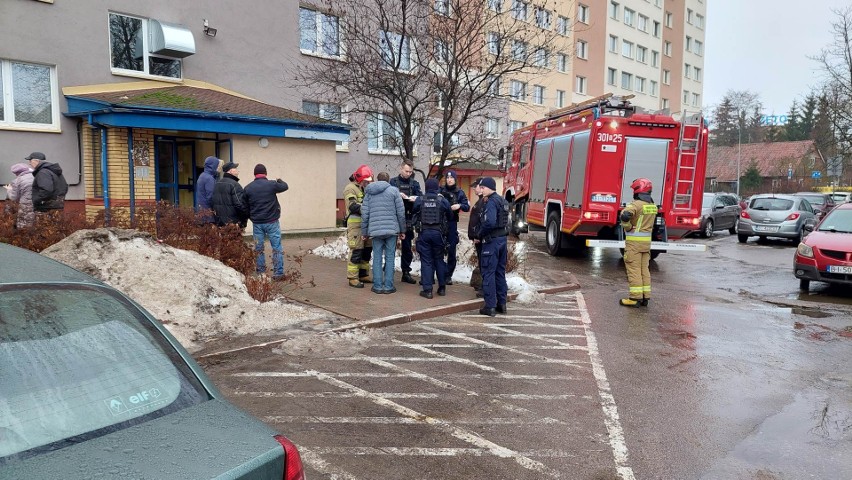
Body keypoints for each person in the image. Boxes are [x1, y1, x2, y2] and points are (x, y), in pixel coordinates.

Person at [361, 172, 406, 294]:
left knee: (376, 257)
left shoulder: (369, 193)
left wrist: (364, 232)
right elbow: (401, 213)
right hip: (391, 231)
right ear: (388, 180)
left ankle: (377, 286)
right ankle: (388, 286)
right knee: (390, 257)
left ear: (377, 180)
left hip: (375, 231)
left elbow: (365, 214)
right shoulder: (394, 191)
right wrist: (402, 230)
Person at [243, 164, 289, 281]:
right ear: (265, 173)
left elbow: (245, 206)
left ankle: (261, 273)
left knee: (259, 248)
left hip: (257, 223)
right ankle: (278, 273)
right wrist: (279, 179)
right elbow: (285, 186)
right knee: (276, 247)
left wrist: (251, 217)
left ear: (255, 174)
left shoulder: (248, 188)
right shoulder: (272, 184)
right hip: (272, 222)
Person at [619, 178, 657, 307]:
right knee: (643, 270)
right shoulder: (652, 206)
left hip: (634, 244)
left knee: (634, 269)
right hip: (646, 245)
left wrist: (628, 227)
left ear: (637, 190)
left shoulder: (637, 204)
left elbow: (624, 215)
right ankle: (645, 297)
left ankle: (634, 298)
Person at [475, 177, 509, 316]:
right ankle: (502, 304)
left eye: (483, 188)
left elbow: (489, 222)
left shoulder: (491, 202)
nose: (481, 190)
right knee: (499, 273)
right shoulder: (502, 200)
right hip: (502, 240)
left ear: (489, 188)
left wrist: (479, 235)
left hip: (492, 241)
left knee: (488, 273)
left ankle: (490, 306)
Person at [412, 178, 452, 299]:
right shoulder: (442, 200)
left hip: (424, 233)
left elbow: (414, 211)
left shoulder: (420, 199)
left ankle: (428, 290)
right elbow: (450, 215)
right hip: (438, 233)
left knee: (426, 261)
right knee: (439, 260)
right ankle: (442, 288)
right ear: (437, 187)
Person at [389, 160, 422, 284]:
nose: (408, 173)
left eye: (410, 171)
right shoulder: (393, 182)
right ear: (401, 169)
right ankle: (388, 269)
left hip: (408, 216)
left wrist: (415, 199)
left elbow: (420, 197)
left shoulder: (415, 184)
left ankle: (406, 272)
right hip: (394, 217)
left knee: (407, 247)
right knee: (390, 244)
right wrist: (398, 194)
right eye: (406, 171)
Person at [343, 165, 374, 288]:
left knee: (367, 251)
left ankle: (363, 274)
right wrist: (369, 209)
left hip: (366, 224)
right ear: (360, 179)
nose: (367, 183)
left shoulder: (364, 188)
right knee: (356, 250)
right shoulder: (350, 189)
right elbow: (353, 206)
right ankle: (353, 277)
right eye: (366, 181)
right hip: (356, 225)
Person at [438, 170, 470, 285]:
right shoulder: (440, 191)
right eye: (447, 178)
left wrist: (459, 205)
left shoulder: (459, 192)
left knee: (451, 250)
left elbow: (467, 206)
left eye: (451, 178)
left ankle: (448, 275)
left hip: (452, 223)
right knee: (439, 249)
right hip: (440, 222)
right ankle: (440, 273)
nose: (449, 180)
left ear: (455, 179)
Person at [211, 162, 249, 228]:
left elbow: (213, 203)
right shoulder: (234, 185)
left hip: (220, 224)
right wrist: (244, 219)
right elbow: (240, 205)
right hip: (233, 224)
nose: (238, 170)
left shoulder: (217, 184)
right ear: (231, 171)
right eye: (236, 168)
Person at [467, 178, 485, 298]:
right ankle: (483, 286)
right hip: (479, 238)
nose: (474, 189)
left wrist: (478, 235)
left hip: (481, 238)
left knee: (484, 263)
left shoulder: (484, 202)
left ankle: (484, 288)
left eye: (476, 186)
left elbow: (482, 221)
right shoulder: (481, 201)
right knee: (482, 262)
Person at [4, 163, 35, 229]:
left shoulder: (17, 181)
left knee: (24, 226)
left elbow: (13, 197)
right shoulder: (36, 177)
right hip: (37, 204)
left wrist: (9, 189)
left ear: (17, 172)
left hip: (25, 205)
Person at [195, 156, 220, 222]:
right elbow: (211, 197)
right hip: (208, 214)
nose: (218, 167)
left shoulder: (202, 176)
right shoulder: (209, 178)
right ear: (213, 166)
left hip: (202, 211)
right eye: (217, 165)